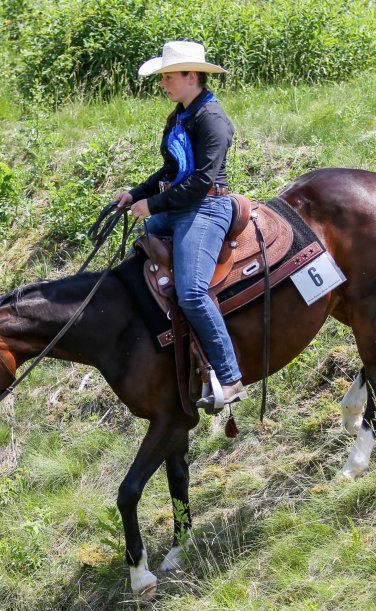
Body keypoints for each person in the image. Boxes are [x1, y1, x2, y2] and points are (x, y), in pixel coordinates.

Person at [114, 40, 246, 410]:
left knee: (191, 292)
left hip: (207, 208)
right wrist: (135, 193)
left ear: (192, 76)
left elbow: (202, 180)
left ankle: (230, 376)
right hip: (183, 205)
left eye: (168, 76)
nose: (163, 84)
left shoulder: (212, 119)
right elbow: (171, 171)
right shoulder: (180, 116)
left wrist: (153, 203)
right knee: (144, 245)